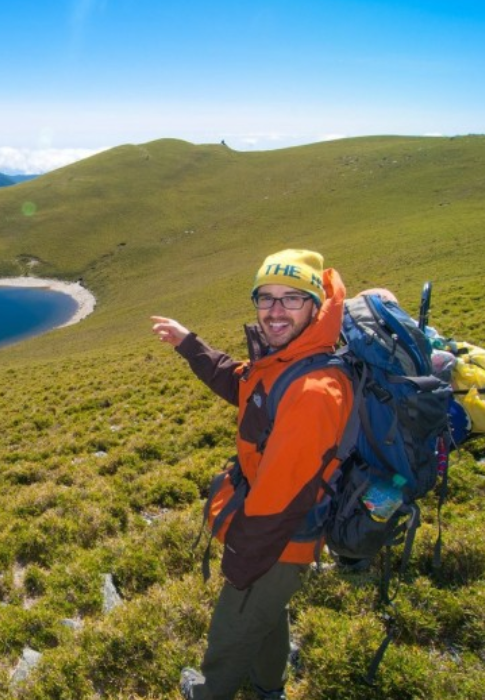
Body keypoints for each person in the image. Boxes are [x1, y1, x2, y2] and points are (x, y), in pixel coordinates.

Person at [151, 249, 354, 700]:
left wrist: (241, 561)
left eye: (292, 299)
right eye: (266, 298)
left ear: (315, 307)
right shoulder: (286, 360)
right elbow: (245, 386)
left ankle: (209, 691)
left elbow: (279, 501)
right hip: (277, 531)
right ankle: (269, 688)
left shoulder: (312, 390)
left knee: (235, 622)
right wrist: (189, 344)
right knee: (266, 611)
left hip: (279, 535)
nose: (275, 311)